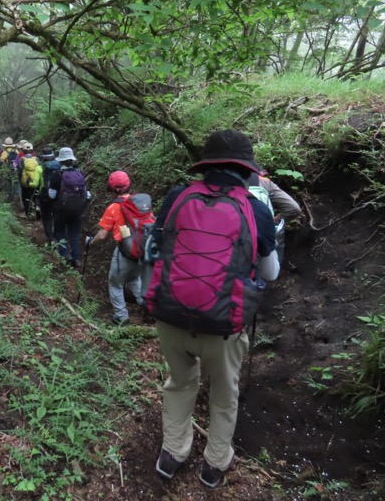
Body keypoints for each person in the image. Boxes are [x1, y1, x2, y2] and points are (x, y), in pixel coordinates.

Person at [146, 129, 279, 489]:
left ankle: (172, 454)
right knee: (224, 394)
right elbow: (269, 273)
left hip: (171, 315)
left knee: (178, 384)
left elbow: (155, 251)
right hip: (223, 326)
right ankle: (214, 464)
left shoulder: (177, 196)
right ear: (245, 169)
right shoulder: (256, 208)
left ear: (207, 166)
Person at [86, 171, 151, 326]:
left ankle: (121, 316)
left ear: (112, 187)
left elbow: (102, 235)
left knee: (115, 283)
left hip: (124, 252)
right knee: (135, 278)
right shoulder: (141, 204)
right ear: (129, 184)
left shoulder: (114, 207)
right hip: (143, 251)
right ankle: (148, 307)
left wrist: (90, 242)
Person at [48, 147, 89, 268]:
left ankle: (65, 256)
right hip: (77, 210)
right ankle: (77, 258)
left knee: (60, 232)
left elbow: (52, 195)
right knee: (74, 233)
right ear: (72, 160)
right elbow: (86, 193)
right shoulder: (80, 173)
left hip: (61, 210)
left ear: (61, 161)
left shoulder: (56, 175)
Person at [38, 147, 61, 242]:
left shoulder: (41, 167)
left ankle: (50, 238)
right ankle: (58, 237)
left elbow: (37, 182)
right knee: (57, 216)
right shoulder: (60, 166)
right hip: (57, 195)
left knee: (47, 217)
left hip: (44, 195)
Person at [18, 143, 42, 219]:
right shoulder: (36, 159)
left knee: (26, 197)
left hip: (25, 182)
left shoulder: (21, 159)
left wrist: (21, 179)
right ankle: (37, 207)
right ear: (32, 150)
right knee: (35, 196)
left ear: (23, 151)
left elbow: (19, 171)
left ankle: (28, 214)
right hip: (35, 181)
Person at [0, 138, 20, 202]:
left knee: (9, 181)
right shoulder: (16, 151)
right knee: (17, 181)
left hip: (9, 169)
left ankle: (10, 196)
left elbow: (1, 161)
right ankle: (18, 194)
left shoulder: (5, 152)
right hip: (16, 168)